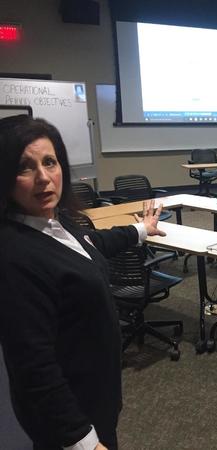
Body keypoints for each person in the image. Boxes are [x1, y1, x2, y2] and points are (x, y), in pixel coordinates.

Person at [0, 115, 166, 450]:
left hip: (94, 395)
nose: (44, 178)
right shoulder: (14, 255)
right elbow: (34, 367)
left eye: (50, 162)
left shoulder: (53, 223)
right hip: (69, 421)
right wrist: (83, 441)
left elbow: (91, 246)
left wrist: (141, 229)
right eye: (25, 167)